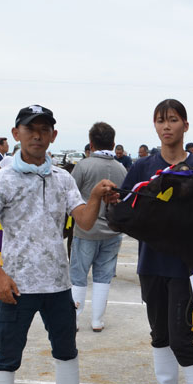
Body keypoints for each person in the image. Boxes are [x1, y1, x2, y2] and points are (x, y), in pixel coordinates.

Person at [0, 104, 119, 384]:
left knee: (66, 349)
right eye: (30, 129)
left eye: (44, 129)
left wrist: (96, 196)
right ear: (16, 134)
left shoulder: (63, 178)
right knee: (6, 354)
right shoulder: (0, 179)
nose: (37, 135)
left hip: (58, 284)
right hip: (17, 286)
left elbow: (83, 221)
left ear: (54, 135)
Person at [121, 98, 193, 384]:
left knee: (181, 338)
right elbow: (126, 209)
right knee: (159, 334)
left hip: (186, 269)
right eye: (161, 121)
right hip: (151, 264)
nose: (166, 126)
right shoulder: (142, 167)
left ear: (185, 126)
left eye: (173, 120)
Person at [70, 122, 127, 333]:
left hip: (86, 229)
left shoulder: (83, 166)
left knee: (78, 275)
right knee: (103, 276)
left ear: (91, 143)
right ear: (113, 143)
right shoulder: (122, 168)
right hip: (112, 230)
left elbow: (71, 196)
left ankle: (74, 319)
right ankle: (97, 320)